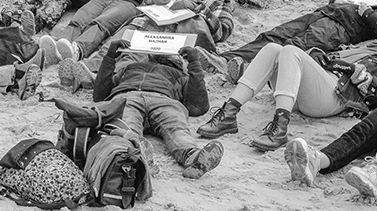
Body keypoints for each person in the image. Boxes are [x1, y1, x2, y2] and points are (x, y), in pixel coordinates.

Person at [199, 43, 372, 153]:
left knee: (290, 51)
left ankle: (280, 127)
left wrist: (347, 68)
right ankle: (229, 112)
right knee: (272, 49)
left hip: (336, 95)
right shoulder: (365, 45)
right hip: (304, 91)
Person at [93, 35, 221, 178]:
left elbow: (198, 106)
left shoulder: (181, 75)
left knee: (176, 128)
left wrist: (194, 63)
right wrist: (110, 57)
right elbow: (100, 94)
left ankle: (194, 157)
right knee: (128, 128)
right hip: (128, 97)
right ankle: (134, 155)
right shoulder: (130, 67)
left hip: (162, 100)